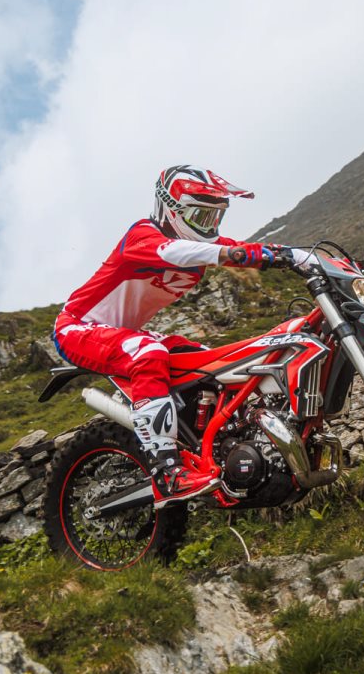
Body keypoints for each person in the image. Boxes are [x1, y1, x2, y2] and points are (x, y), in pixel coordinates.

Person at [53, 166, 294, 503]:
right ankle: (166, 470)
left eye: (215, 217)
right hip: (77, 327)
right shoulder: (142, 235)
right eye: (201, 216)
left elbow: (244, 248)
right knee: (147, 352)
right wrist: (228, 253)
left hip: (123, 332)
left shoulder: (202, 247)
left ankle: (217, 452)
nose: (209, 227)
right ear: (171, 209)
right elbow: (171, 252)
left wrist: (304, 257)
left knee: (211, 361)